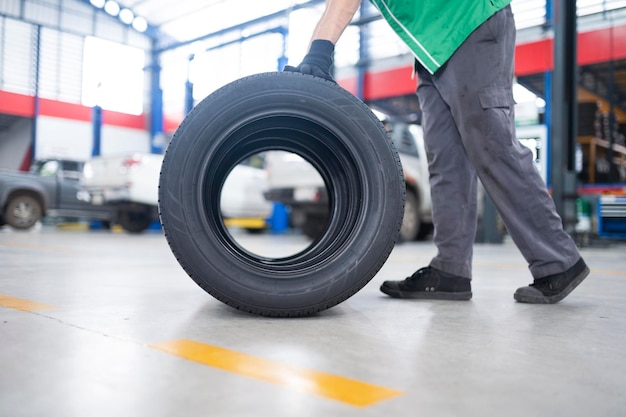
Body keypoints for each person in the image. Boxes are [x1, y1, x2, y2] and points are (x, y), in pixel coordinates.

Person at [284, 0, 590, 304]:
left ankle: (558, 261)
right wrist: (316, 55)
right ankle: (451, 270)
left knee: (492, 144)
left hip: (467, 21)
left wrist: (320, 53)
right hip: (431, 49)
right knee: (446, 161)